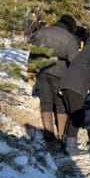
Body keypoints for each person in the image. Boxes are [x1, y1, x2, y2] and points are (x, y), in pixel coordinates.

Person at [29, 14, 80, 145]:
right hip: (61, 74)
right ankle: (62, 134)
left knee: (45, 101)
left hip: (43, 71)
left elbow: (33, 53)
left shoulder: (41, 33)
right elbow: (74, 62)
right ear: (70, 27)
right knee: (61, 103)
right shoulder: (69, 38)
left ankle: (48, 134)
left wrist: (31, 71)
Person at [60, 33, 90, 155]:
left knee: (72, 115)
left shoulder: (85, 51)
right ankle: (71, 147)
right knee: (77, 117)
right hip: (75, 87)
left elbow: (88, 72)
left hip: (67, 85)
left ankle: (66, 144)